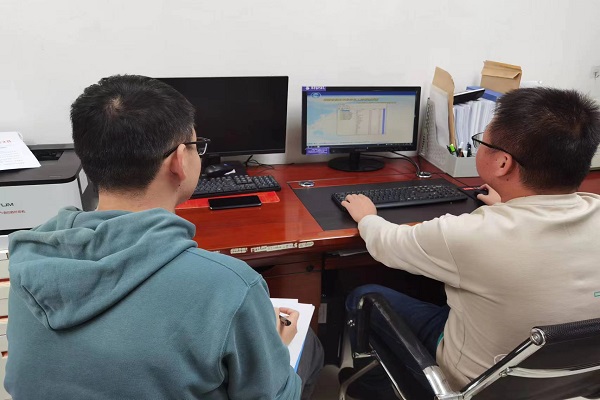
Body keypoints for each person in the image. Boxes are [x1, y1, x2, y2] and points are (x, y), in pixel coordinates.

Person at [5, 75, 322, 399]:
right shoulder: (231, 285)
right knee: (308, 346)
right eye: (197, 146)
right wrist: (276, 345)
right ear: (179, 161)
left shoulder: (31, 261)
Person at [341, 87, 600, 397]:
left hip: (475, 386)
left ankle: (371, 390)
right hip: (571, 383)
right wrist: (509, 205)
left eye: (481, 142)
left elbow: (387, 244)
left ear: (503, 163)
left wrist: (367, 217)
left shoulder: (470, 235)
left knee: (364, 295)